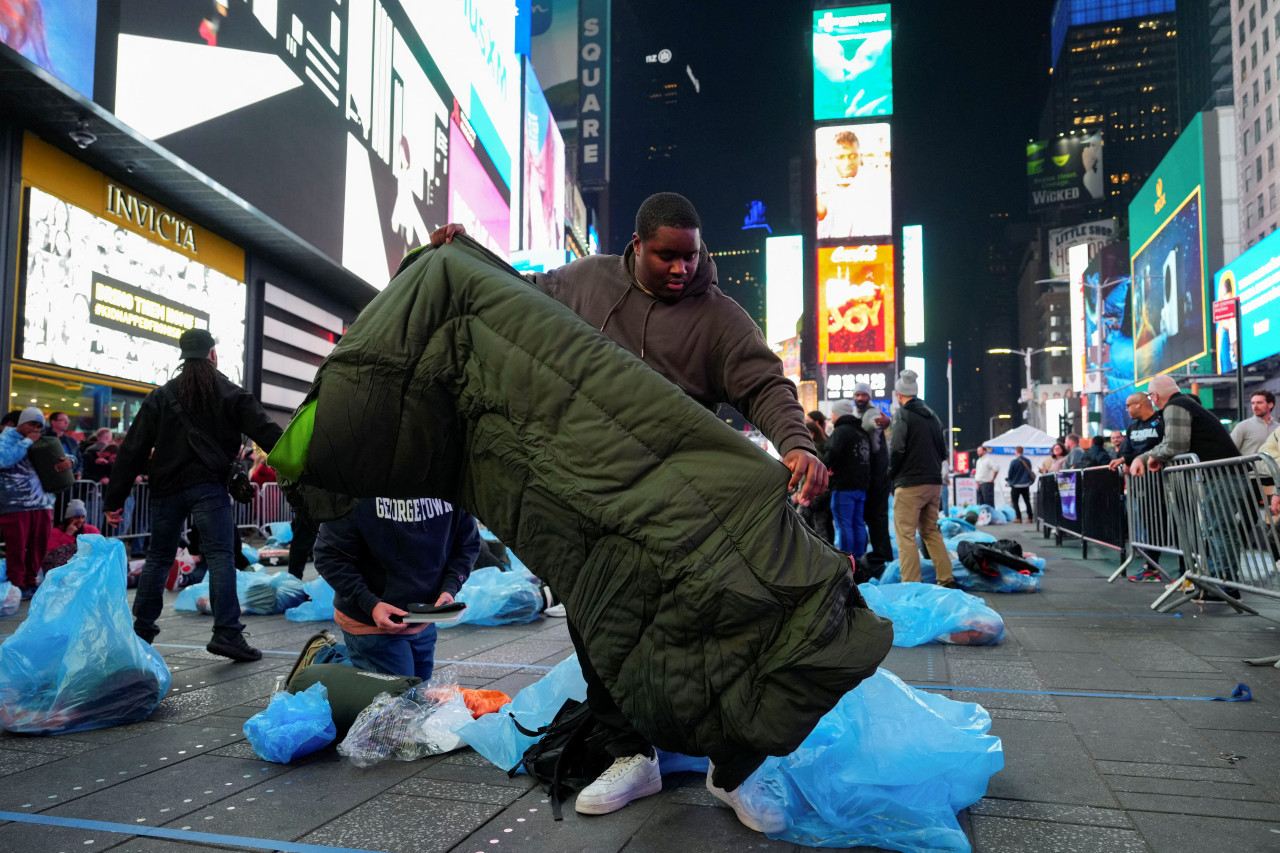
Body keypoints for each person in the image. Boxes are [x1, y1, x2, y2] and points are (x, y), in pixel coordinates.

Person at [430, 192, 824, 830]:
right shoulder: (584, 283)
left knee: (712, 632)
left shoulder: (719, 318)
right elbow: (512, 292)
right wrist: (463, 255)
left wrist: (797, 442)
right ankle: (631, 754)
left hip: (681, 506)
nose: (681, 269)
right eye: (667, 255)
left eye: (691, 256)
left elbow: (765, 383)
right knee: (594, 623)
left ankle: (733, 771)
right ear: (636, 247)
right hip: (588, 495)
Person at [105, 329, 282, 661]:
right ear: (212, 354)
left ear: (182, 356)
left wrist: (114, 501)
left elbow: (132, 450)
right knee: (221, 558)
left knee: (158, 559)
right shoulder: (231, 394)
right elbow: (270, 434)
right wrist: (305, 466)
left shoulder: (161, 396)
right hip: (209, 489)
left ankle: (141, 632)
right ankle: (227, 634)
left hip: (165, 489)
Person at [310, 496, 480, 680]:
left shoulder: (447, 482)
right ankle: (323, 662)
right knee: (398, 698)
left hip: (422, 614)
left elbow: (467, 544)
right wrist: (370, 603)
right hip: (370, 618)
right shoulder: (354, 487)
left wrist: (450, 587)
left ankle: (347, 661)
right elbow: (328, 555)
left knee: (417, 695)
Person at [1131, 375, 1241, 596]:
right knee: (1215, 530)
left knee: (1219, 530)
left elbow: (1174, 445)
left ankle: (1225, 584)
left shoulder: (1175, 406)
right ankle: (1219, 582)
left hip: (1221, 475)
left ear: (1154, 396)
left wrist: (1149, 457)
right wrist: (1147, 457)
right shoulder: (1185, 404)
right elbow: (1171, 445)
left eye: (1151, 397)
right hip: (1220, 475)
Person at [887, 370, 956, 588]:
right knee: (930, 531)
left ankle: (911, 584)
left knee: (905, 535)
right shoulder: (932, 416)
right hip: (933, 483)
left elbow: (897, 449)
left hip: (910, 483)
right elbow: (943, 451)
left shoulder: (902, 415)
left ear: (899, 394)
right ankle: (946, 579)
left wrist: (891, 474)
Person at [0, 408, 69, 598]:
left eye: (39, 425)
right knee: (16, 547)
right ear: (21, 423)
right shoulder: (5, 439)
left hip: (42, 503)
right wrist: (27, 442)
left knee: (38, 546)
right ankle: (16, 583)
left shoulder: (43, 440)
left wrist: (69, 462)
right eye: (32, 424)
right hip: (16, 504)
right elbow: (3, 460)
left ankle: (31, 581)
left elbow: (62, 454)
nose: (35, 429)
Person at [1109, 392, 1167, 582]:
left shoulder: (1161, 421)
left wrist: (1133, 458)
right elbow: (1127, 454)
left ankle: (1185, 570)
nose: (1126, 409)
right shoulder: (1133, 428)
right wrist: (1126, 460)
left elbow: (1166, 446)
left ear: (1140, 405)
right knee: (1150, 526)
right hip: (1144, 486)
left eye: (1128, 406)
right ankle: (1152, 567)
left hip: (1166, 483)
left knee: (1173, 527)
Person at [816, 129, 891, 239]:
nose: (847, 163)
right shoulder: (822, 187)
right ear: (831, 159)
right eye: (840, 157)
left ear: (859, 156)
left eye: (852, 156)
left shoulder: (876, 185)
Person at [853, 384, 894, 573]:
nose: (860, 398)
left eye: (864, 395)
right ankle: (881, 559)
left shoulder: (870, 414)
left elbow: (876, 422)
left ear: (869, 397)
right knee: (872, 519)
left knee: (876, 518)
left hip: (877, 477)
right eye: (857, 394)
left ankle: (883, 559)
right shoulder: (857, 413)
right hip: (870, 477)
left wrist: (885, 422)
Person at [825, 399, 871, 558]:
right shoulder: (862, 433)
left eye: (832, 413)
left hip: (844, 486)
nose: (831, 416)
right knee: (858, 523)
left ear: (837, 414)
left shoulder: (840, 432)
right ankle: (859, 560)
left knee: (844, 525)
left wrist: (828, 468)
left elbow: (831, 454)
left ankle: (846, 561)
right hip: (861, 486)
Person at [41, 498, 101, 573]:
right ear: (69, 519)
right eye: (76, 517)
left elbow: (100, 548)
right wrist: (68, 535)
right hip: (60, 570)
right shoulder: (55, 532)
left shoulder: (91, 530)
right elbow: (50, 555)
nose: (80, 521)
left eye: (82, 517)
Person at [1231, 390, 1280, 455]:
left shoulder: (1277, 428)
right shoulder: (1242, 426)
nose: (1255, 406)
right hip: (1249, 465)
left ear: (1270, 405)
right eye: (1253, 403)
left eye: (1259, 403)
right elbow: (1228, 451)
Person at [1005, 446, 1035, 522]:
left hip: (1016, 485)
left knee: (1015, 502)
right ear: (1023, 451)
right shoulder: (1028, 461)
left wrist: (1009, 481)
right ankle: (1030, 518)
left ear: (1016, 451)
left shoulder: (1014, 462)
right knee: (1027, 501)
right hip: (1025, 484)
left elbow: (1010, 474)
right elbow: (1030, 471)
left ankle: (1018, 518)